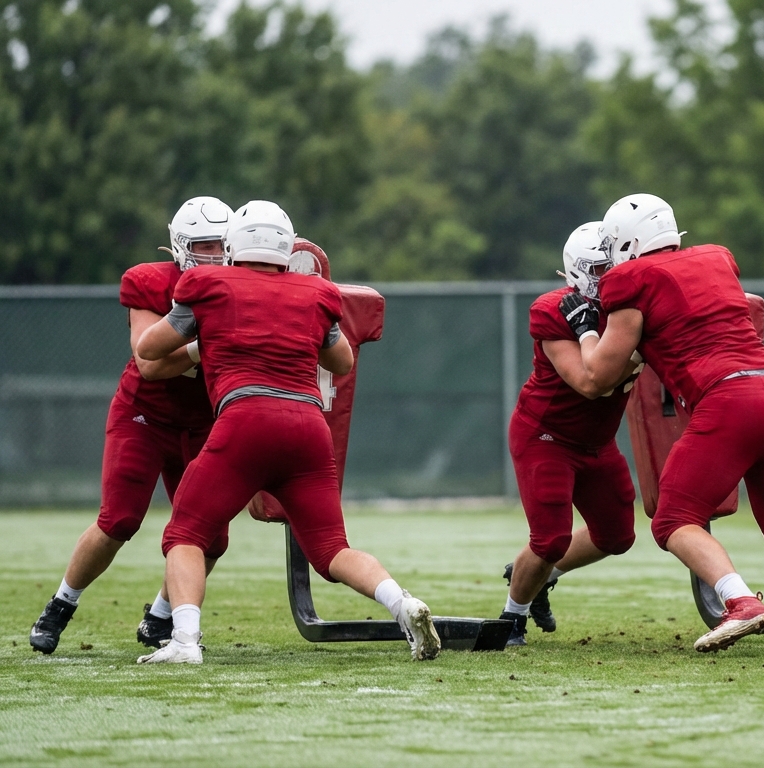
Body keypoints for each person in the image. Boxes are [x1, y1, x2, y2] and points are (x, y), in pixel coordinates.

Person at [562, 193, 764, 653]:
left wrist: (586, 330)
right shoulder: (716, 259)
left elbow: (597, 376)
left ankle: (739, 601)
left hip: (728, 399)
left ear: (628, 244)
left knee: (673, 520)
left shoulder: (631, 278)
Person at [133, 200, 440, 663]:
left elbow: (150, 349)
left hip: (245, 421)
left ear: (235, 242)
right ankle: (402, 604)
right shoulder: (313, 292)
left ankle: (184, 642)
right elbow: (342, 361)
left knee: (185, 536)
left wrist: (209, 333)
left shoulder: (209, 284)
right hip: (308, 427)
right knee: (333, 551)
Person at [29, 197, 230, 655]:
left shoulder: (240, 286)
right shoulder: (150, 282)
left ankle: (159, 616)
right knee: (119, 519)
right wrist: (204, 345)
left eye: (221, 245)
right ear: (180, 247)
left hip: (203, 421)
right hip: (145, 415)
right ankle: (61, 605)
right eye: (204, 245)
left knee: (212, 537)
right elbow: (150, 365)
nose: (215, 256)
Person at [498, 222, 641, 647]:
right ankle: (512, 618)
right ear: (576, 272)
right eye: (600, 268)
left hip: (597, 441)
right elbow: (588, 383)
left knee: (618, 536)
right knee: (549, 539)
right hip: (547, 436)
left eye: (614, 265)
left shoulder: (632, 305)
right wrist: (592, 334)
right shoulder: (553, 309)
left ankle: (544, 578)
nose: (609, 276)